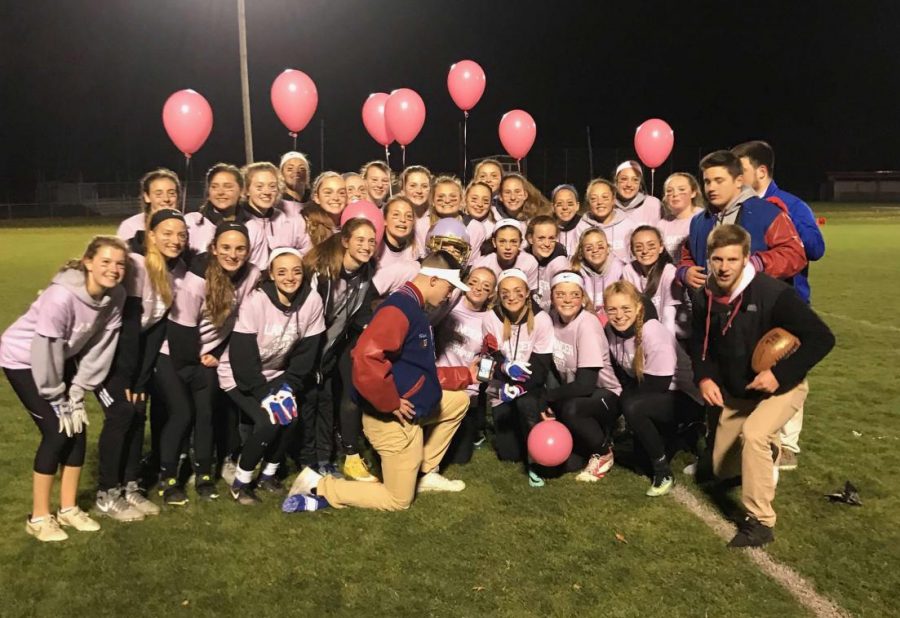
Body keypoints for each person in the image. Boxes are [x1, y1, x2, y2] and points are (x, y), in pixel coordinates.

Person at [285, 252, 476, 512]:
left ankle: (426, 471)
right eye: (449, 287)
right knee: (398, 500)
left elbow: (417, 371)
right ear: (433, 280)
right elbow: (364, 356)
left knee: (459, 401)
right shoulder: (400, 309)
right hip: (393, 419)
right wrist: (390, 402)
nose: (449, 295)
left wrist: (466, 375)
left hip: (412, 408)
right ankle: (320, 485)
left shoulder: (414, 307)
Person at [689, 225, 834, 547]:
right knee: (720, 469)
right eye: (717, 259)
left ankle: (761, 522)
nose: (724, 267)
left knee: (754, 434)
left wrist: (780, 374)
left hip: (781, 387)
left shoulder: (773, 293)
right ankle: (766, 453)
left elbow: (822, 338)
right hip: (738, 390)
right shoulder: (705, 296)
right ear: (708, 259)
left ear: (745, 259)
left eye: (732, 259)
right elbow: (700, 344)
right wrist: (704, 377)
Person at [1, 236, 127, 542]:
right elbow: (46, 348)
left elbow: (100, 347)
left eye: (120, 264)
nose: (113, 269)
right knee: (57, 431)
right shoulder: (61, 297)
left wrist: (79, 389)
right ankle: (39, 516)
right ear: (88, 262)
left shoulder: (116, 296)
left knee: (78, 429)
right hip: (23, 360)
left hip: (61, 360)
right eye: (106, 262)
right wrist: (56, 394)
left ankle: (68, 509)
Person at [732, 140, 827, 471]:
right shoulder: (738, 208)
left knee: (788, 368)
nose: (734, 176)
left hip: (787, 302)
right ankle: (761, 438)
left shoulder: (791, 205)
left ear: (760, 171)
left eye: (739, 170)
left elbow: (815, 248)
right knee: (757, 366)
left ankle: (788, 444)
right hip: (749, 305)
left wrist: (786, 222)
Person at [156, 222, 261, 504]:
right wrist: (193, 368)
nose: (233, 254)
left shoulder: (251, 274)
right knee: (182, 414)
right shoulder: (196, 280)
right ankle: (168, 480)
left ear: (248, 251)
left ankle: (204, 475)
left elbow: (242, 322)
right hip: (175, 355)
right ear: (214, 248)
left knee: (205, 415)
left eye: (240, 248)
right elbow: (180, 331)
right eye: (225, 247)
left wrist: (220, 352)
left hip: (206, 357)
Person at [94, 209, 188, 522]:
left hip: (132, 361)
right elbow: (130, 329)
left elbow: (154, 331)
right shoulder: (136, 265)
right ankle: (107, 493)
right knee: (121, 413)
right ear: (150, 235)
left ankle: (130, 486)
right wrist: (126, 380)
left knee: (137, 413)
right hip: (105, 359)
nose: (175, 240)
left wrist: (141, 381)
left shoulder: (171, 270)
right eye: (167, 233)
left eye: (181, 235)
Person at [218, 249, 325, 504]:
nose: (290, 277)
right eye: (282, 272)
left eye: (296, 271)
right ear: (272, 276)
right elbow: (242, 358)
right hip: (238, 374)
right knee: (269, 421)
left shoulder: (312, 301)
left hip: (276, 373)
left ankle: (268, 475)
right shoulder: (256, 301)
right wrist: (263, 393)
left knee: (290, 416)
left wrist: (289, 386)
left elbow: (306, 354)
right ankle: (241, 483)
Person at [604, 280, 701, 497]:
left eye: (626, 309)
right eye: (612, 309)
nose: (619, 315)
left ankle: (662, 471)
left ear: (639, 307)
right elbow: (624, 376)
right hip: (656, 395)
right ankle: (679, 437)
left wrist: (625, 403)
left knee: (633, 406)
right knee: (639, 463)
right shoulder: (610, 331)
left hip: (685, 397)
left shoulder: (652, 332)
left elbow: (659, 385)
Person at [301, 218, 379, 477]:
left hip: (334, 344)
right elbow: (308, 317)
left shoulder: (366, 272)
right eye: (360, 240)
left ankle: (325, 458)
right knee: (310, 400)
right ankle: (306, 458)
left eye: (371, 241)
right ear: (345, 241)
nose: (367, 246)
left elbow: (362, 316)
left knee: (327, 399)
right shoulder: (322, 270)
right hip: (309, 344)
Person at [676, 150, 807, 291]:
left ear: (739, 181)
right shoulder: (698, 221)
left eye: (719, 181)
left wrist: (759, 263)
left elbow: (795, 255)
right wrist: (685, 271)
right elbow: (688, 254)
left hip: (757, 307)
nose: (711, 188)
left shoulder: (768, 213)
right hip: (711, 308)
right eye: (707, 182)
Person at [482, 269, 555, 487]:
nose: (511, 297)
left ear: (527, 293)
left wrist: (521, 388)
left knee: (526, 405)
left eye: (517, 291)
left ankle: (536, 460)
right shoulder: (490, 318)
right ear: (499, 295)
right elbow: (487, 362)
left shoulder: (542, 320)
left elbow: (541, 368)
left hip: (529, 389)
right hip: (501, 390)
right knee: (509, 454)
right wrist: (504, 371)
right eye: (505, 292)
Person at [546, 272, 621, 482]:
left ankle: (604, 452)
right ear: (552, 298)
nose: (567, 300)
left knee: (571, 408)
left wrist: (548, 397)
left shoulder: (587, 324)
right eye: (560, 294)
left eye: (574, 294)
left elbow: (586, 385)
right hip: (576, 394)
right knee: (565, 465)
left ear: (583, 297)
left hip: (606, 396)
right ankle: (588, 444)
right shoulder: (551, 318)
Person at [435, 266, 497, 463]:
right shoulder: (449, 304)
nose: (478, 288)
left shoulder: (490, 320)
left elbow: (486, 365)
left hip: (465, 390)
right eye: (473, 282)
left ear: (491, 294)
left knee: (461, 458)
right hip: (438, 382)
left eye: (485, 286)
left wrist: (477, 389)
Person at [239, 162, 311, 270]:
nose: (267, 192)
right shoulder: (240, 221)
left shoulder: (288, 220)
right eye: (259, 187)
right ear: (247, 190)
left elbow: (307, 251)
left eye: (272, 186)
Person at [622, 225, 680, 335]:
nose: (645, 251)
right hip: (643, 333)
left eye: (651, 246)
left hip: (672, 335)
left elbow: (669, 316)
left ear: (661, 247)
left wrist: (668, 348)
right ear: (633, 251)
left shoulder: (669, 272)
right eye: (639, 247)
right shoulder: (628, 271)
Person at [184, 163, 242, 258]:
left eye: (228, 187)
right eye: (214, 187)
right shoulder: (192, 222)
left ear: (241, 190)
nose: (220, 192)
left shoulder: (251, 225)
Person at [570, 227, 624, 321]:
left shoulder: (620, 269)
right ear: (582, 252)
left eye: (600, 246)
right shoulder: (577, 271)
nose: (595, 250)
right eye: (589, 248)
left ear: (608, 249)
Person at [577, 178, 637, 262]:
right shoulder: (582, 226)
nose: (599, 202)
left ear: (613, 200)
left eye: (605, 197)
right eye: (594, 199)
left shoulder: (628, 225)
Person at [117, 168, 180, 242]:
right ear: (147, 197)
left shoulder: (188, 225)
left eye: (171, 193)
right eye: (158, 194)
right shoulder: (131, 227)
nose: (166, 199)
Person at [474, 219, 539, 290]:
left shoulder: (530, 262)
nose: (508, 247)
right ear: (494, 242)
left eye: (513, 241)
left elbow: (531, 294)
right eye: (502, 241)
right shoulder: (481, 265)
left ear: (520, 243)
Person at [526, 215, 569, 311]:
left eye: (551, 238)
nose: (547, 244)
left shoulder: (560, 264)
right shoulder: (523, 260)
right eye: (541, 238)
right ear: (530, 239)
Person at [658, 172, 704, 258]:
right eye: (669, 191)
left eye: (681, 189)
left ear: (693, 193)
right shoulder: (662, 224)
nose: (675, 194)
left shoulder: (703, 218)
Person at [304, 171, 347, 246]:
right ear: (316, 198)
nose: (336, 198)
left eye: (341, 193)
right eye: (328, 193)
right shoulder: (304, 225)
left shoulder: (349, 226)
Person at [614, 160, 663, 226]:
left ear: (640, 184)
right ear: (616, 181)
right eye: (624, 179)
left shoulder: (653, 204)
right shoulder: (608, 205)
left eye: (635, 180)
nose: (629, 184)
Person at [377, 195, 420, 266]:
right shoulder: (376, 249)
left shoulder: (414, 252)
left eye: (408, 216)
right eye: (396, 215)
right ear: (385, 220)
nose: (403, 220)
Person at [400, 165, 434, 249]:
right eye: (413, 186)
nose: (419, 191)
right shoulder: (394, 218)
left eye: (424, 186)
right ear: (402, 190)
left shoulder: (437, 218)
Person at [463, 180, 496, 249]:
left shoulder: (494, 230)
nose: (480, 204)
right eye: (474, 199)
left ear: (490, 204)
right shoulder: (458, 221)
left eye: (485, 201)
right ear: (465, 199)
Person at [551, 184, 583, 256]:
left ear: (577, 206)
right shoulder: (548, 228)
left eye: (570, 204)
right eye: (559, 204)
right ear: (553, 207)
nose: (565, 207)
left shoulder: (585, 227)